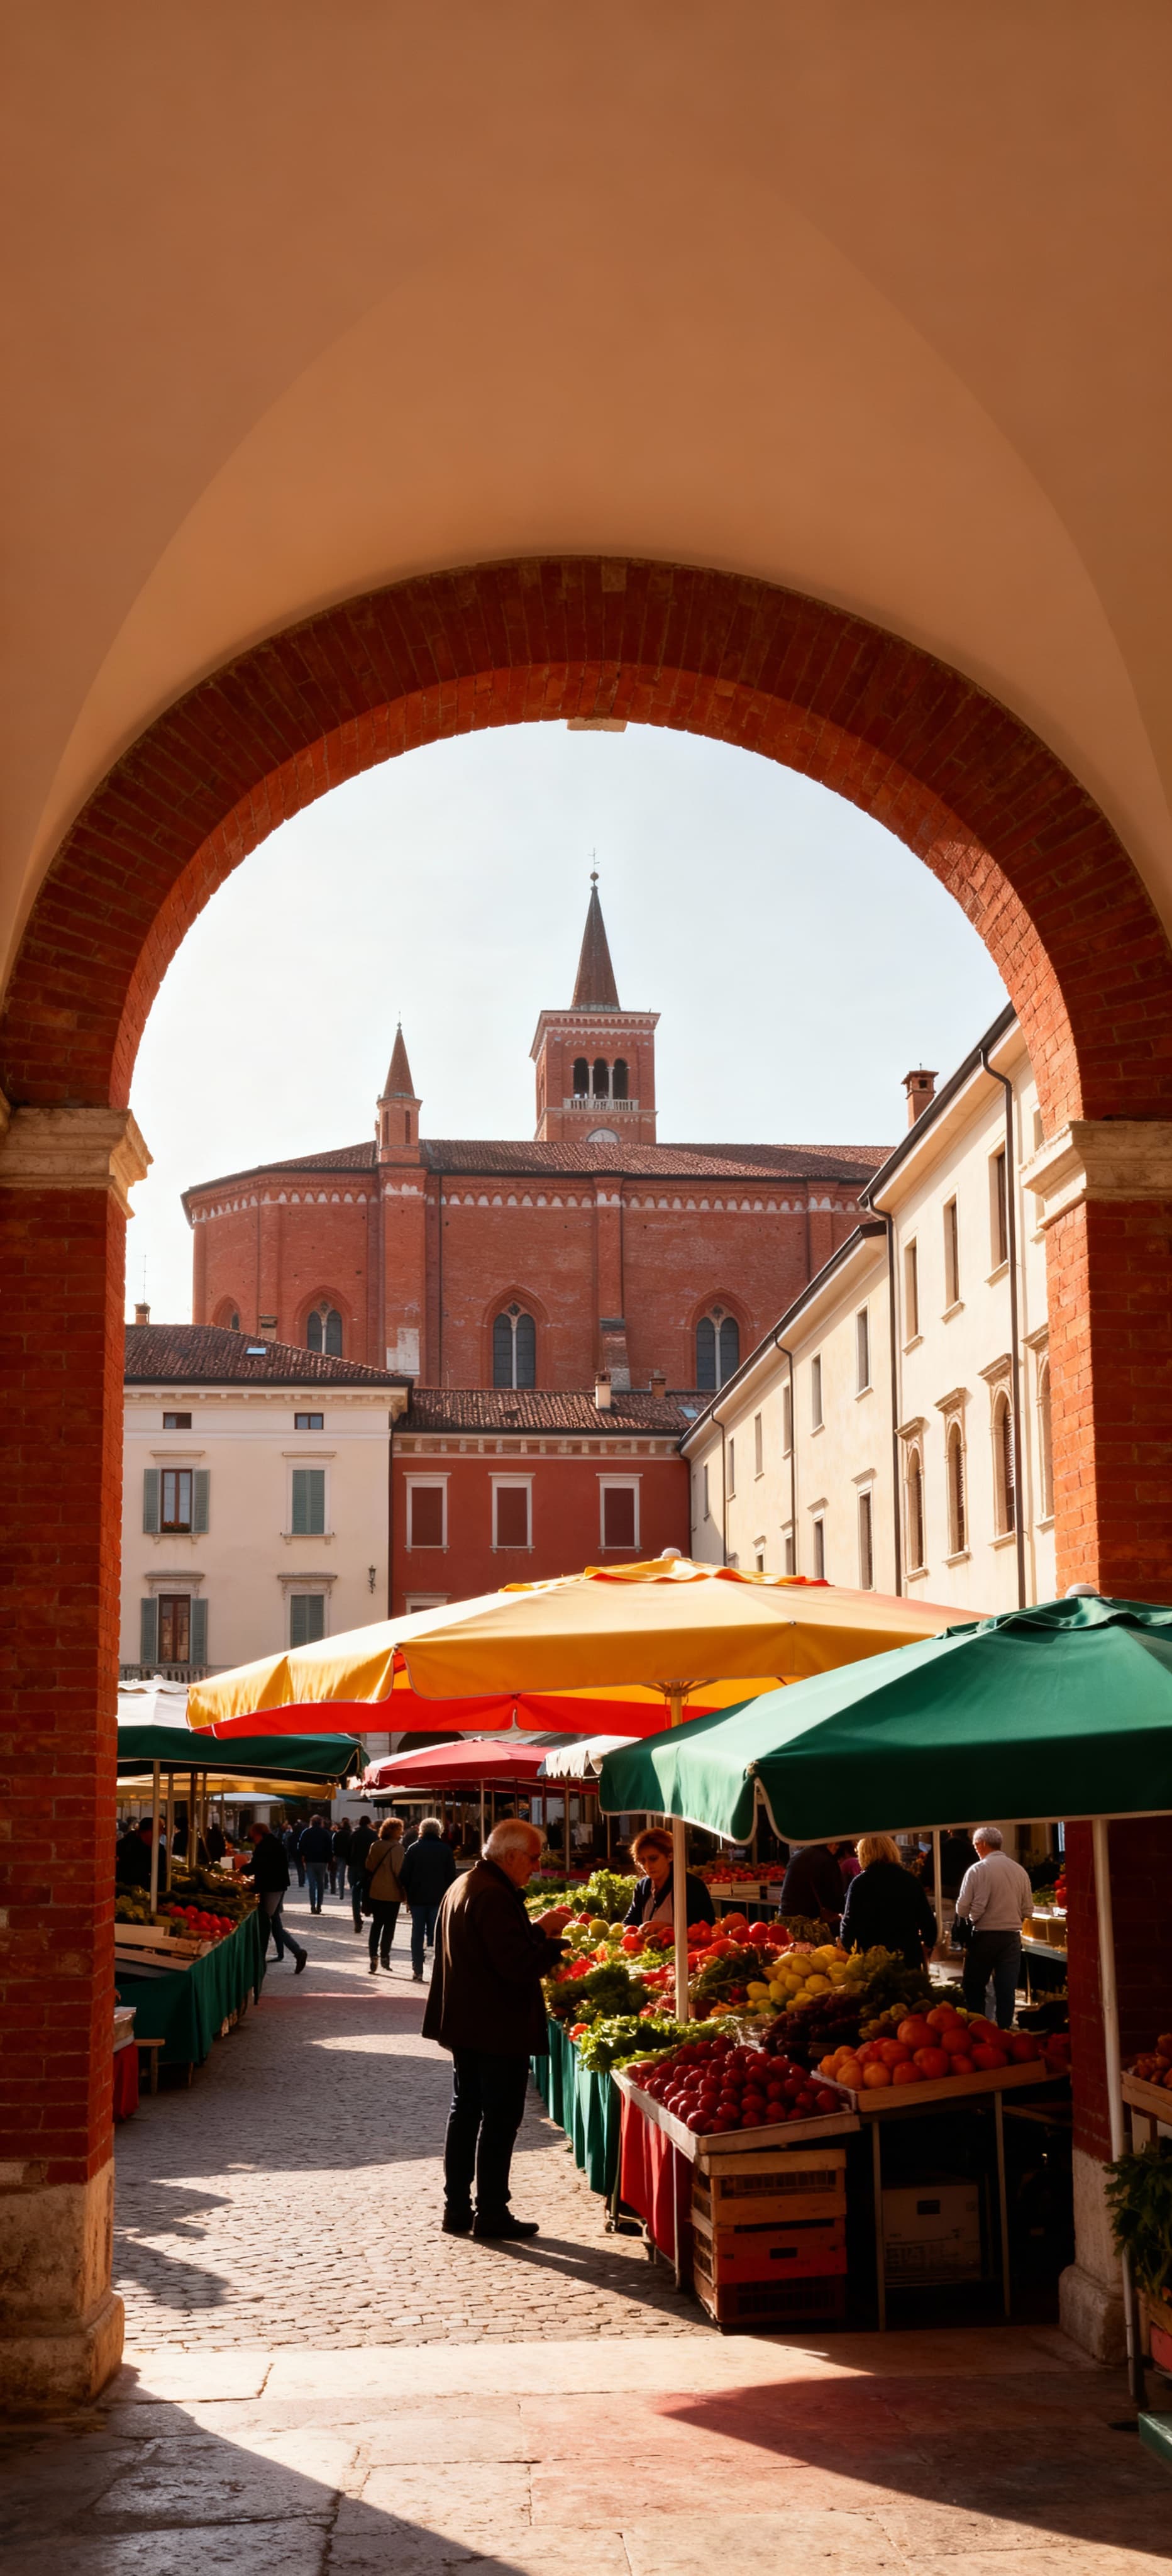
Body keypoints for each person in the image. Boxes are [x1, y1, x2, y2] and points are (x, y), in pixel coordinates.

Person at [423, 1818, 565, 2238]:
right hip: (495, 2025)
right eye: (534, 1858)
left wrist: (537, 1931)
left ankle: (457, 2208)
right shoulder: (492, 1894)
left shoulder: (467, 1884)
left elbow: (498, 1946)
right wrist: (556, 1946)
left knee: (466, 2111)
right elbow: (516, 1964)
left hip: (467, 2021)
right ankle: (490, 2212)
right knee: (499, 2118)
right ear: (512, 1855)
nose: (536, 1867)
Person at [955, 1825, 1034, 2029]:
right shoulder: (1020, 1871)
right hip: (1011, 1937)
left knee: (975, 1986)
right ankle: (1005, 2028)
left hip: (983, 1936)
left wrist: (972, 1917)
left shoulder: (977, 1870)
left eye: (975, 1846)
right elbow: (1028, 1910)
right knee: (1006, 1988)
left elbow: (962, 1908)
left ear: (981, 1844)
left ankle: (978, 2027)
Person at [839, 1833, 937, 1969]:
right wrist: (927, 1947)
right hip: (907, 1959)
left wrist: (849, 1951)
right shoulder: (910, 1880)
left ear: (863, 1854)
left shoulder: (859, 1884)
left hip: (872, 1962)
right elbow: (928, 1923)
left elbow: (849, 1925)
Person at [622, 1826, 716, 1931]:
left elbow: (706, 1926)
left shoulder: (692, 1886)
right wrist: (620, 1929)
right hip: (648, 1946)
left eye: (653, 1859)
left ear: (670, 1856)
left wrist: (667, 1928)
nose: (648, 1866)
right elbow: (631, 1921)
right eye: (643, 1861)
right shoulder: (642, 1887)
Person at [398, 1816, 458, 1980]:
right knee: (436, 1934)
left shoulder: (413, 1849)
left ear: (421, 1831)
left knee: (417, 1933)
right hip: (439, 1898)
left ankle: (417, 1968)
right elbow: (451, 1876)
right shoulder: (445, 1850)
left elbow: (404, 1875)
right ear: (439, 1831)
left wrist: (408, 1891)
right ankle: (437, 1968)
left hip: (417, 1898)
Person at [246, 1821, 307, 1973]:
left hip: (271, 1887)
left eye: (253, 1837)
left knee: (268, 1922)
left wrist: (241, 1870)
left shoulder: (265, 1846)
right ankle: (291, 1952)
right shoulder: (273, 1842)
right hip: (278, 1886)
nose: (253, 1840)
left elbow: (258, 1866)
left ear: (258, 1834)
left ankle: (294, 1952)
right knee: (274, 1921)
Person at [365, 1815, 406, 1971]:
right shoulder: (398, 1849)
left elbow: (369, 1866)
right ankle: (385, 1956)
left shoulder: (375, 1845)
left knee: (377, 1925)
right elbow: (399, 1872)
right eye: (400, 1829)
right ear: (395, 1831)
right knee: (389, 1927)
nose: (401, 1832)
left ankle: (373, 1956)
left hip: (376, 1892)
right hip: (392, 1894)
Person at [780, 1840, 845, 1925]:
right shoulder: (828, 1861)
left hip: (786, 1923)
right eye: (837, 1843)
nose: (837, 1847)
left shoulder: (796, 1857)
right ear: (830, 1842)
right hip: (811, 1926)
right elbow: (836, 1901)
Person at [298, 1812, 333, 1914]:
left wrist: (303, 1856)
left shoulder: (306, 1832)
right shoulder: (325, 1833)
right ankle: (319, 1905)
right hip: (322, 1862)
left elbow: (300, 1847)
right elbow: (330, 1848)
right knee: (320, 1884)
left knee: (312, 1885)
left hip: (310, 1861)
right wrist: (329, 1860)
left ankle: (312, 1905)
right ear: (321, 1823)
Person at [349, 1813, 378, 1929]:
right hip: (370, 1869)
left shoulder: (354, 1834)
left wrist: (351, 1864)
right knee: (372, 1893)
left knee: (355, 1894)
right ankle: (373, 1915)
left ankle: (357, 1920)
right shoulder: (373, 1835)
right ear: (369, 1823)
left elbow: (349, 1851)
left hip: (356, 1868)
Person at [116, 1817, 155, 1887]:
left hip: (131, 1884)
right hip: (127, 1884)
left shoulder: (156, 1847)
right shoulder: (130, 1842)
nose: (162, 1832)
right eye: (160, 1829)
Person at [332, 1816, 352, 1899]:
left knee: (341, 1874)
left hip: (339, 1855)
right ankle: (351, 1889)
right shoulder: (351, 1834)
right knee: (349, 1874)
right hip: (349, 1856)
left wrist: (334, 1855)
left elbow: (333, 1845)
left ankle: (341, 1893)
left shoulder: (337, 1834)